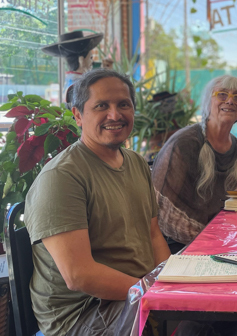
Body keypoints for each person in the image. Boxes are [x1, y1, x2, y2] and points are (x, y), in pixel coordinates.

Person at [24, 69, 171, 336]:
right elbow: (79, 275)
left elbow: (153, 235)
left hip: (137, 293)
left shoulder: (136, 163)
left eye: (123, 104)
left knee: (219, 311)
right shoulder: (62, 177)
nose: (115, 115)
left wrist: (172, 285)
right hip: (83, 313)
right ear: (78, 115)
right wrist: (154, 294)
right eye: (101, 106)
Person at [152, 75, 237, 253]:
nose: (230, 101)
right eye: (222, 94)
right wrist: (213, 242)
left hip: (217, 243)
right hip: (175, 246)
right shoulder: (184, 144)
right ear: (207, 102)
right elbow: (164, 214)